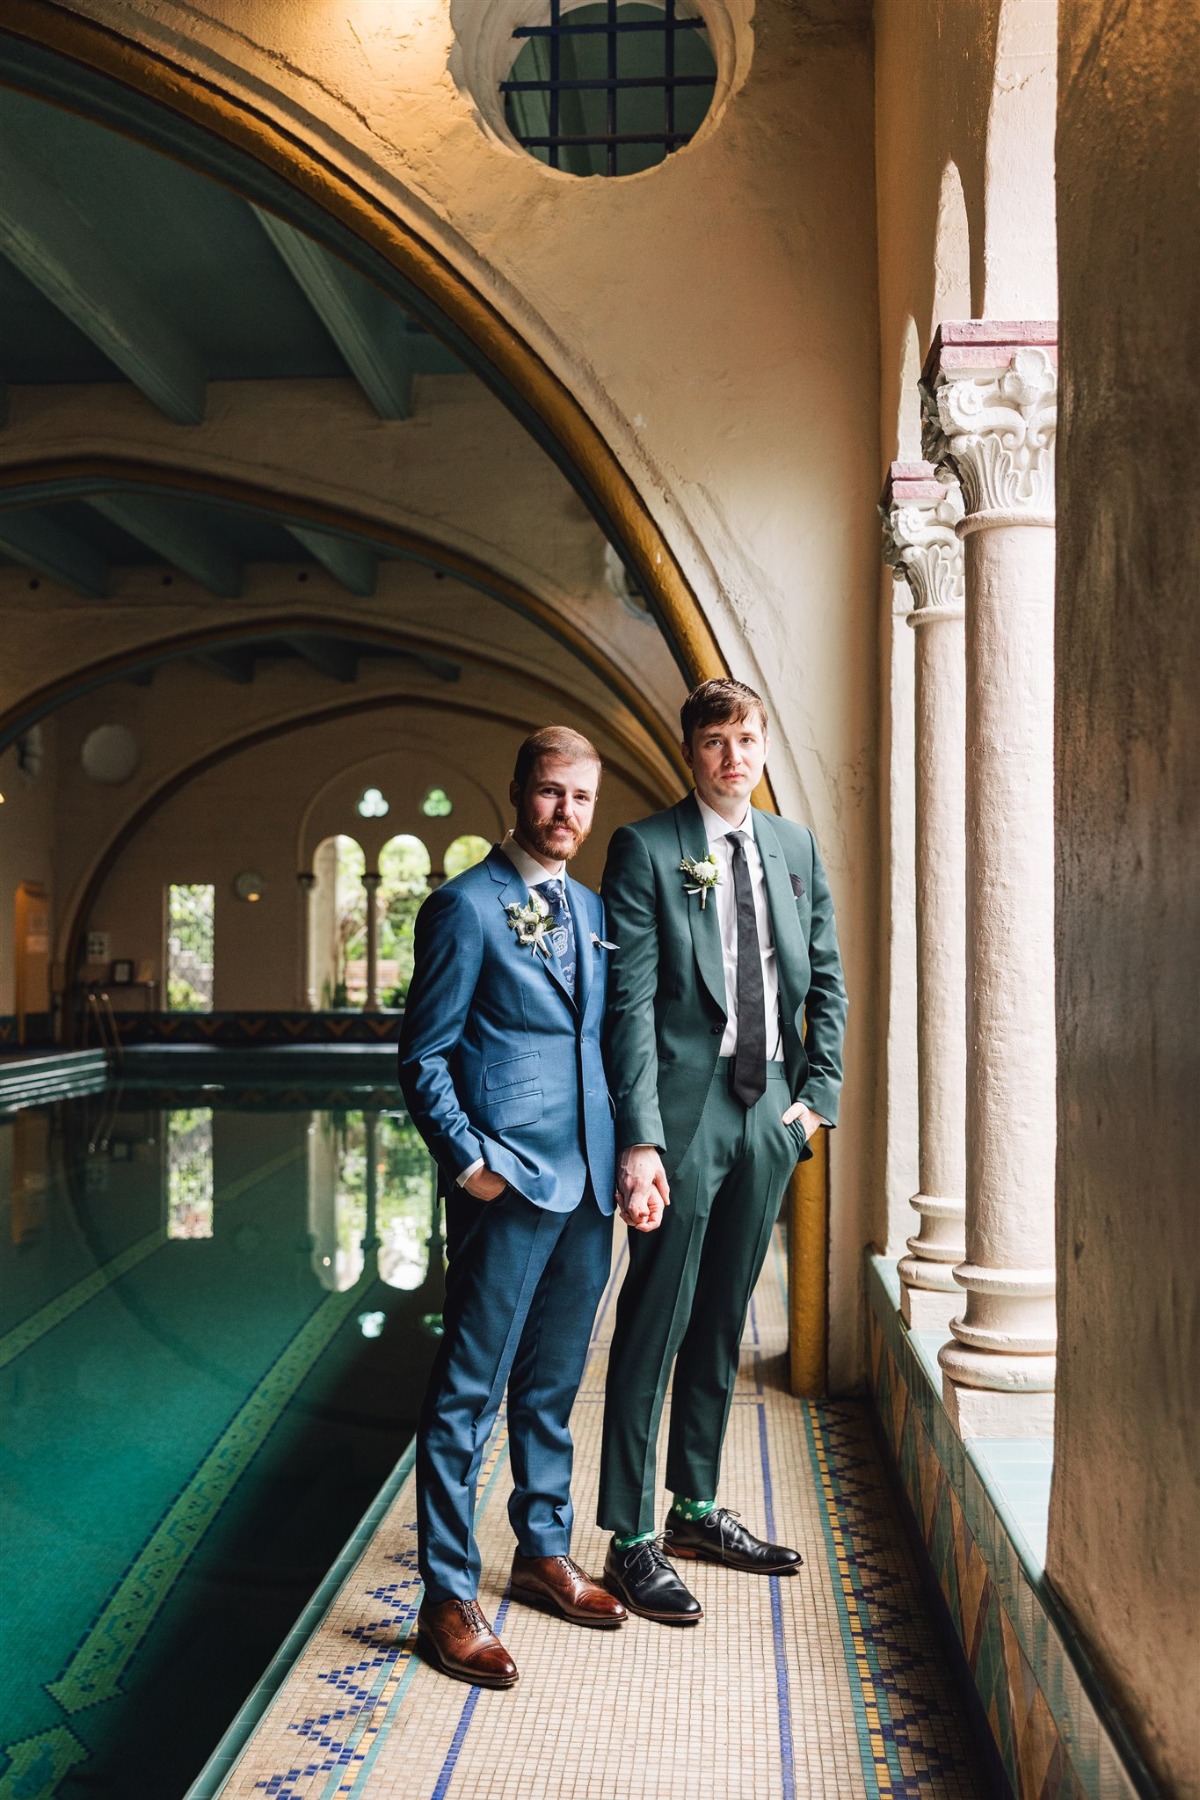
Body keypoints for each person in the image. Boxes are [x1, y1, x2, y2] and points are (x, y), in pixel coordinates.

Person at [597, 678, 848, 1623]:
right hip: (683, 1114)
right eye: (714, 741)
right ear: (691, 751)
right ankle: (630, 1534)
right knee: (655, 1316)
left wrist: (815, 1098)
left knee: (724, 1322)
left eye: (746, 739)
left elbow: (826, 979)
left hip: (770, 1111)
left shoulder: (794, 849)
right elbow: (627, 1007)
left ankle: (694, 1508)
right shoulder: (647, 849)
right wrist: (642, 1138)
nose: (732, 756)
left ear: (764, 747)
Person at [398, 726, 627, 1688]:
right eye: (549, 793)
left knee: (555, 1383)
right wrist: (470, 1163)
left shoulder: (593, 909)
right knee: (467, 1393)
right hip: (510, 1181)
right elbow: (424, 1054)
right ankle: (445, 1598)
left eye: (580, 796)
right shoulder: (463, 905)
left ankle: (541, 1550)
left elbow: (603, 1045)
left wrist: (630, 1155)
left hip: (589, 1181)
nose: (564, 812)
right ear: (519, 793)